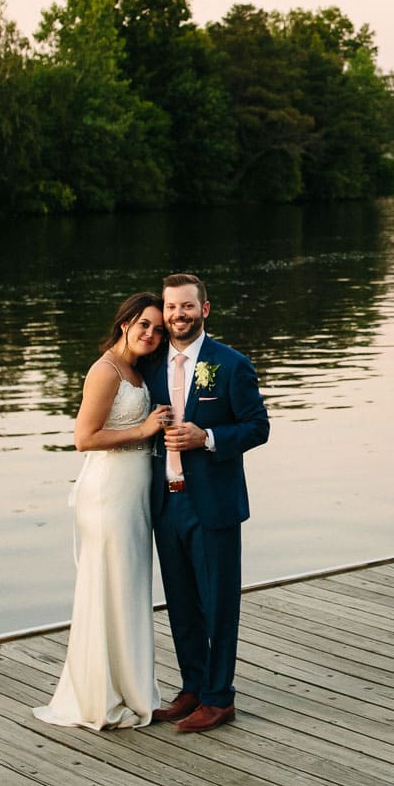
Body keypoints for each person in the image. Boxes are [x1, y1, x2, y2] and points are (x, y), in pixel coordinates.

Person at [34, 293, 169, 730]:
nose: (152, 334)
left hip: (132, 495)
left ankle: (130, 686)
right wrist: (145, 428)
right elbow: (84, 438)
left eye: (158, 329)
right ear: (125, 321)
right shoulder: (105, 369)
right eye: (144, 325)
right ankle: (99, 694)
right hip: (108, 493)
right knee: (108, 586)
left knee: (127, 588)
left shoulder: (136, 368)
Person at [145, 273, 270, 733]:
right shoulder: (152, 364)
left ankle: (220, 697)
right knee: (180, 602)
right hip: (166, 503)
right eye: (171, 307)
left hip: (213, 505)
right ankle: (193, 687)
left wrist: (209, 437)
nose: (178, 314)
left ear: (205, 310)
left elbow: (258, 427)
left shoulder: (231, 364)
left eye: (187, 307)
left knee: (218, 602)